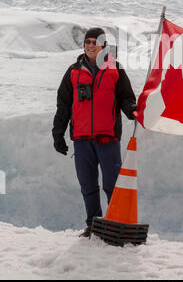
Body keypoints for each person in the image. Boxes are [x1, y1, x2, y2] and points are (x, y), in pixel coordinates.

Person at [52, 27, 136, 237]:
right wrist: (58, 134)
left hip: (107, 139)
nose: (90, 45)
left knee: (111, 185)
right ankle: (93, 224)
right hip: (82, 140)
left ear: (103, 45)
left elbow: (126, 98)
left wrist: (132, 111)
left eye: (95, 42)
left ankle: (115, 224)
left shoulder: (115, 69)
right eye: (87, 41)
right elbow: (63, 105)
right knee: (88, 185)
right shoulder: (73, 71)